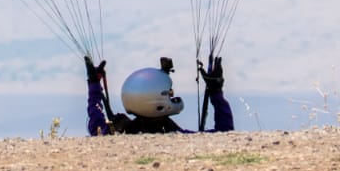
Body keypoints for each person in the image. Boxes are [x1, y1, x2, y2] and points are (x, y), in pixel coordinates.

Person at [84, 54, 234, 135]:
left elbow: (96, 123)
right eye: (169, 92)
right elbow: (225, 133)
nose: (172, 95)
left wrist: (94, 84)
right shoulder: (175, 135)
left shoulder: (119, 132)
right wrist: (216, 92)